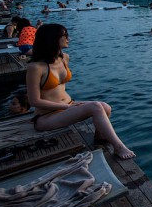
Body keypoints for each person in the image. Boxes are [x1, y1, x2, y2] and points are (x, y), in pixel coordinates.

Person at [26, 24, 135, 159]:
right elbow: (34, 101)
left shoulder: (64, 57)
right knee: (95, 107)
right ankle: (119, 147)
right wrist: (65, 106)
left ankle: (100, 138)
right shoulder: (35, 67)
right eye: (64, 35)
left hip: (68, 105)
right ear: (53, 39)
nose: (68, 38)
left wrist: (68, 105)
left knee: (105, 107)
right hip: (46, 116)